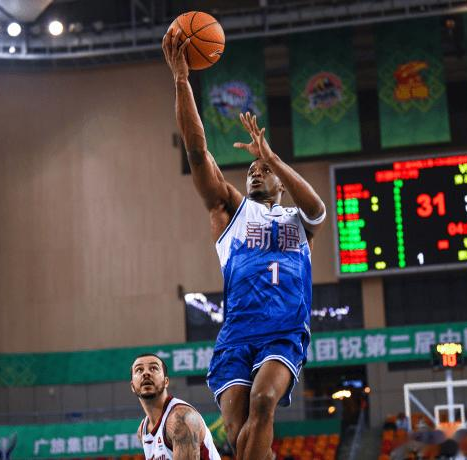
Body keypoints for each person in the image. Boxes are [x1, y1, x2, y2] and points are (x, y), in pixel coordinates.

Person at [162, 29, 326, 460]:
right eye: (251, 169)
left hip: (283, 330)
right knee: (240, 438)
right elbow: (197, 152)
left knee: (264, 401)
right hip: (237, 333)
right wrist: (182, 80)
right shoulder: (230, 212)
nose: (255, 172)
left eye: (263, 169)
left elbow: (318, 208)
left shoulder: (298, 221)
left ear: (280, 182)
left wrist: (272, 157)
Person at [131, 353, 221, 460]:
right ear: (132, 386)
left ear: (166, 382)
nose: (146, 373)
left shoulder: (182, 418)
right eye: (139, 370)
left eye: (154, 368)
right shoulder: (142, 431)